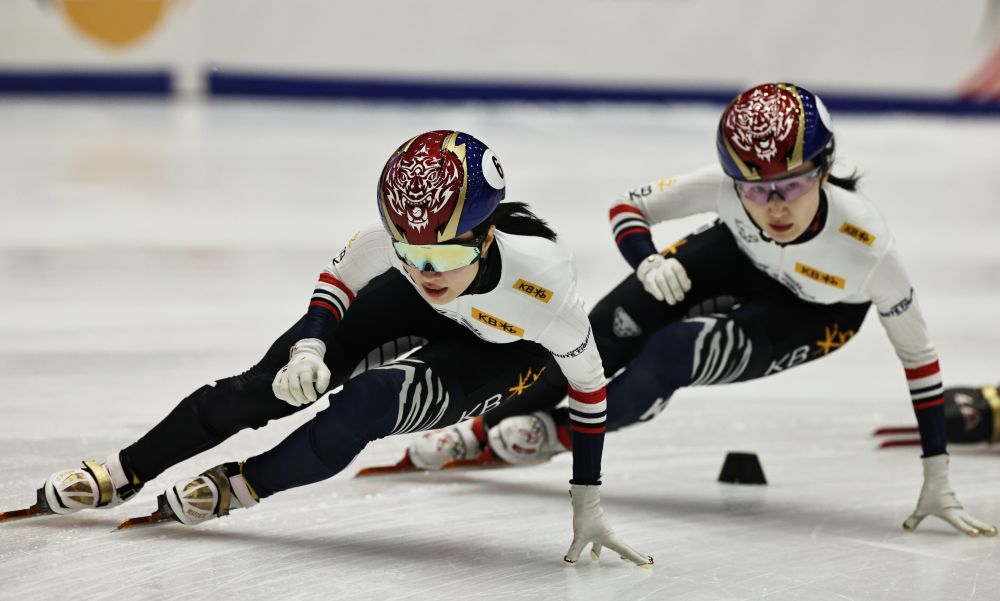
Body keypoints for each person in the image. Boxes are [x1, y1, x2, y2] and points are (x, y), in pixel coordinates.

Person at [4, 130, 651, 565]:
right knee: (264, 387)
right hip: (415, 308)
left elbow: (589, 390)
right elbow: (340, 280)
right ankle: (122, 471)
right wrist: (311, 346)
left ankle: (243, 485)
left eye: (443, 256)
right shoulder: (406, 246)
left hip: (503, 349)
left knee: (367, 402)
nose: (426, 270)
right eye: (408, 252)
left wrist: (587, 500)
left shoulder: (545, 290)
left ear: (485, 237)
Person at [403, 84, 997, 537]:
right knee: (594, 338)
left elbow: (919, 358)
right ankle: (477, 431)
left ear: (823, 168)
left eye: (791, 186)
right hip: (737, 257)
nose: (774, 207)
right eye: (754, 189)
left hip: (816, 313)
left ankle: (557, 435)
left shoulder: (867, 247)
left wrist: (938, 477)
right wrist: (646, 261)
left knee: (675, 352)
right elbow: (627, 207)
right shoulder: (726, 188)